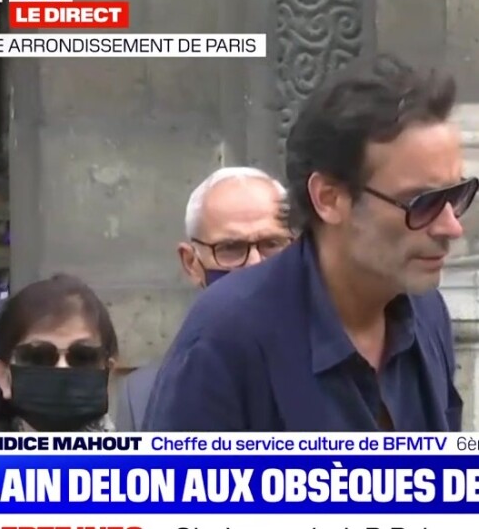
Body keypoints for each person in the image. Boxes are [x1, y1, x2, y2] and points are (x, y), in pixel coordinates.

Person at [143, 53, 476, 432]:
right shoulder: (226, 338)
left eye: (456, 195)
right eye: (423, 202)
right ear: (329, 199)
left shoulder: (426, 313)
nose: (451, 227)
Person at [115, 167, 295, 431]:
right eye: (231, 249)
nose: (256, 264)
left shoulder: (351, 370)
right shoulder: (143, 396)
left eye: (272, 244)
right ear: (191, 263)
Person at [0, 273, 119, 510]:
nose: (62, 370)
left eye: (83, 357)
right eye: (38, 356)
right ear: (3, 376)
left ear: (108, 371)